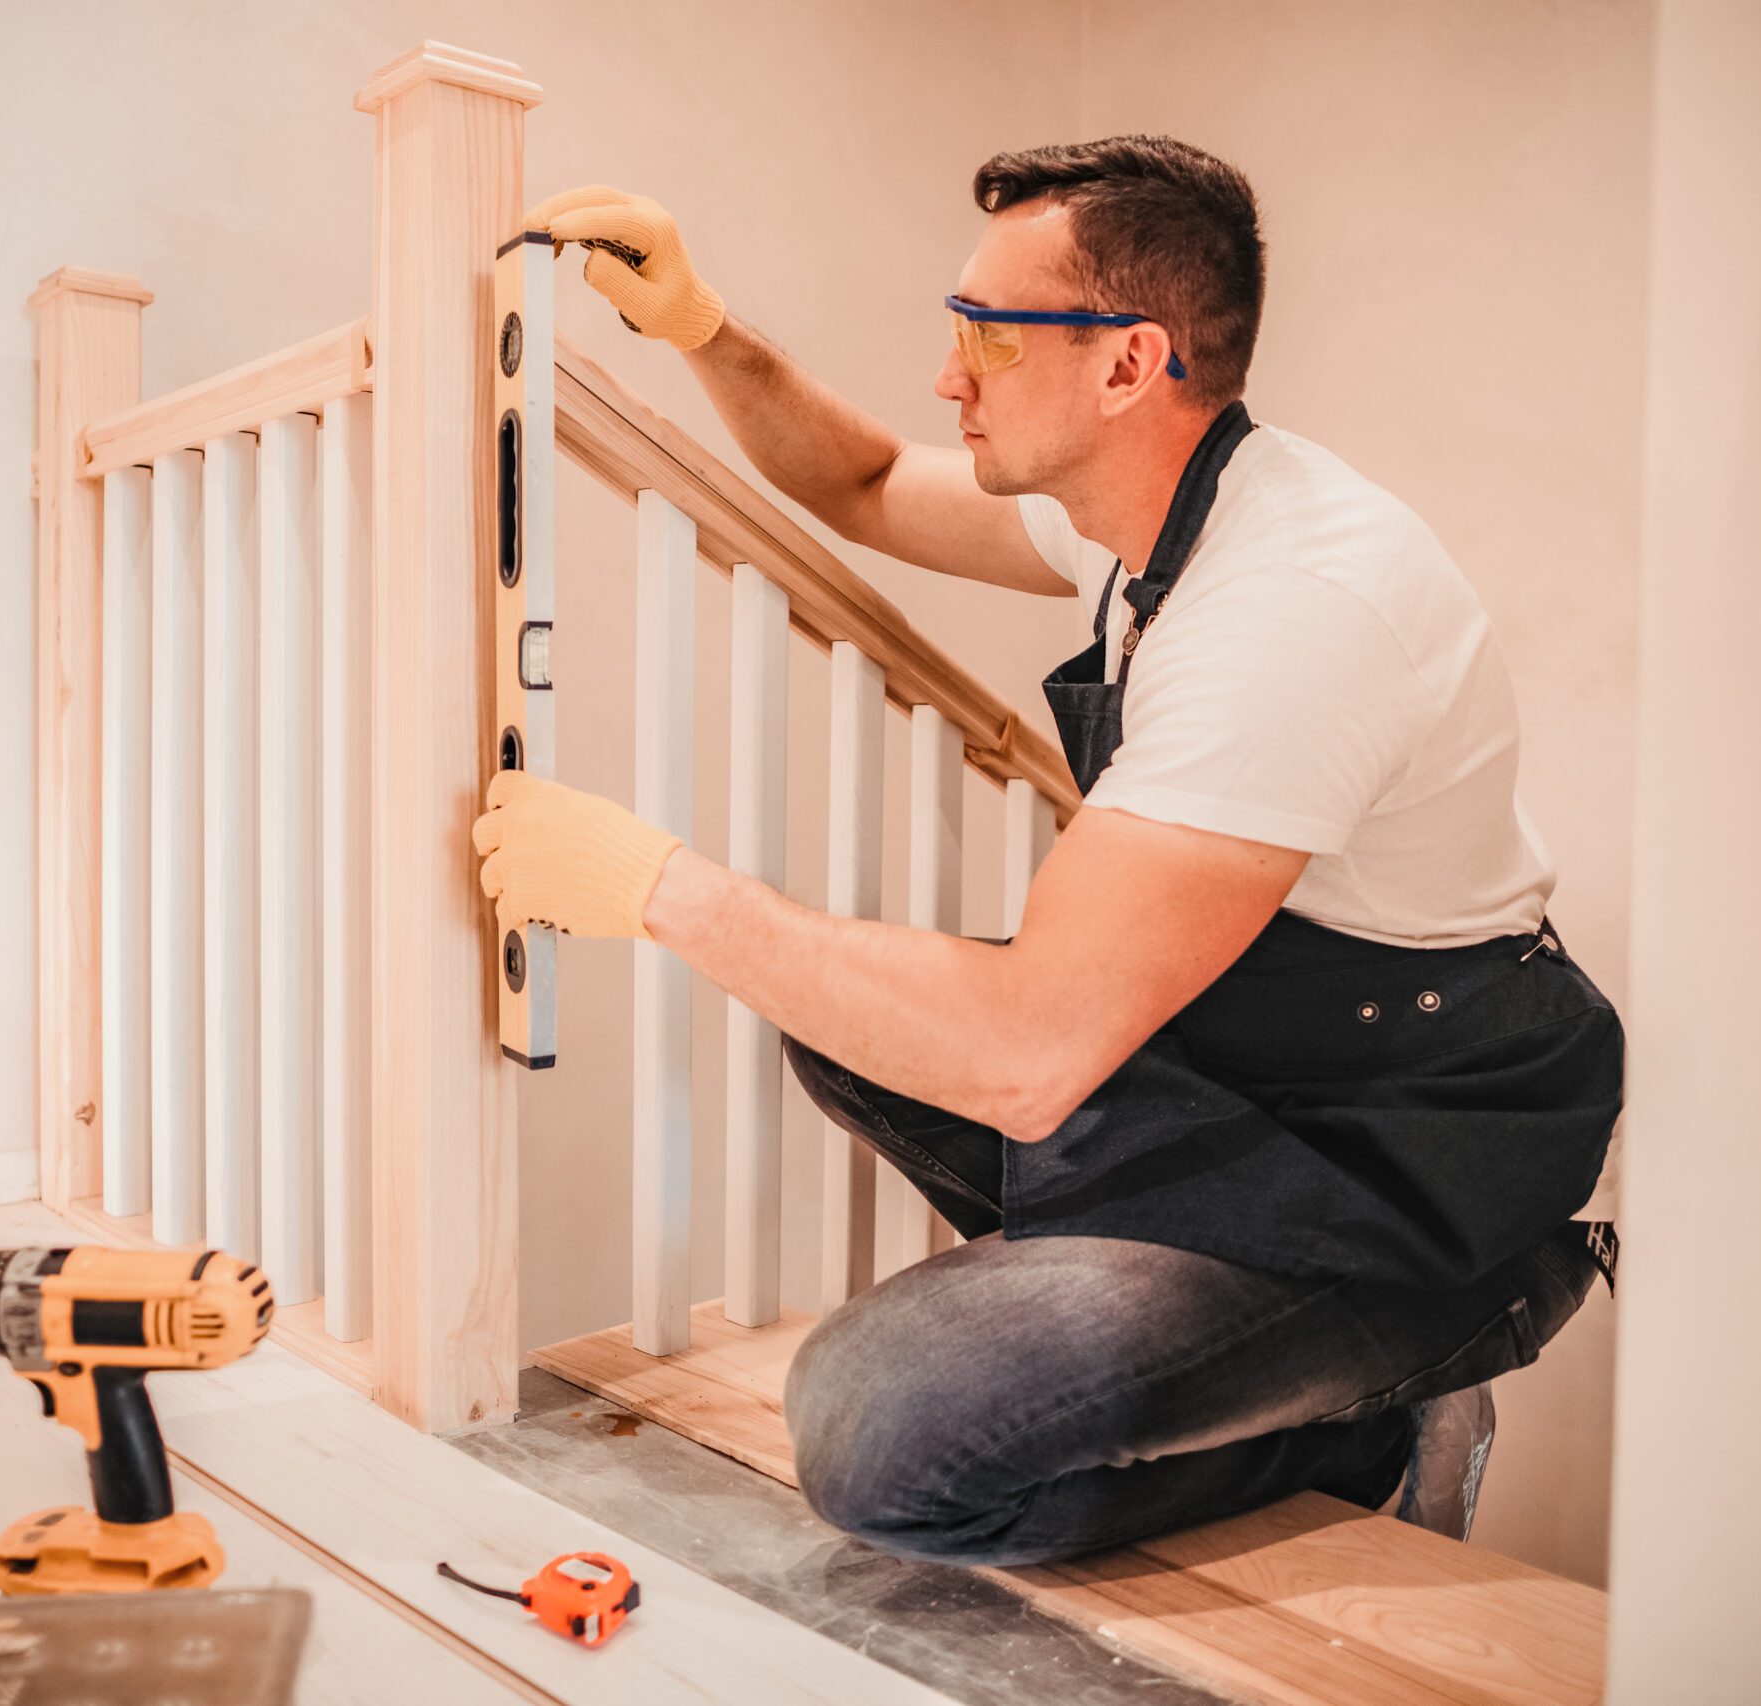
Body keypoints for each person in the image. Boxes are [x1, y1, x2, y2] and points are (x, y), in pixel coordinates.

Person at [468, 138, 1621, 1568]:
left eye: (986, 339)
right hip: (1261, 1068)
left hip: (1411, 1154)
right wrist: (706, 330)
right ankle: (1185, 1324)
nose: (949, 374)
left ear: (1129, 364)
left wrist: (660, 887)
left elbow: (1028, 1051)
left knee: (880, 1423)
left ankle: (1375, 1410)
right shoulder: (1141, 521)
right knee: (851, 1027)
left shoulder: (1299, 610)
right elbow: (873, 480)